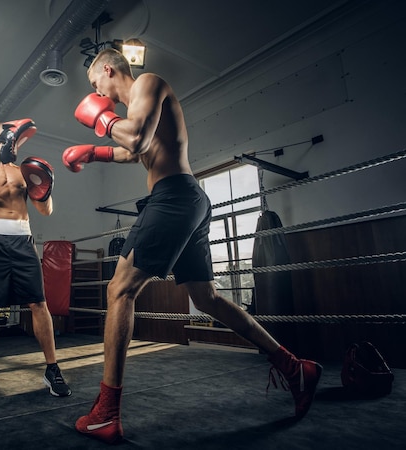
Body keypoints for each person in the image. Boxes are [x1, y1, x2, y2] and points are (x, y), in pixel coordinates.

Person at [62, 48, 322, 443]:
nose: (95, 90)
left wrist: (100, 117)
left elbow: (134, 140)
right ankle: (293, 366)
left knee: (119, 289)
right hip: (187, 199)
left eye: (94, 82)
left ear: (107, 70)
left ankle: (106, 412)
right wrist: (94, 153)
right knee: (208, 299)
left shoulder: (148, 83)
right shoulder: (138, 108)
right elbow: (136, 152)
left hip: (174, 198)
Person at [0, 119, 71, 398]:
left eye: (17, 141)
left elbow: (45, 211)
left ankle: (52, 370)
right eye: (9, 139)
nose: (15, 145)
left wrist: (45, 188)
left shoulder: (23, 173)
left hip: (22, 239)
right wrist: (4, 147)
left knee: (38, 303)